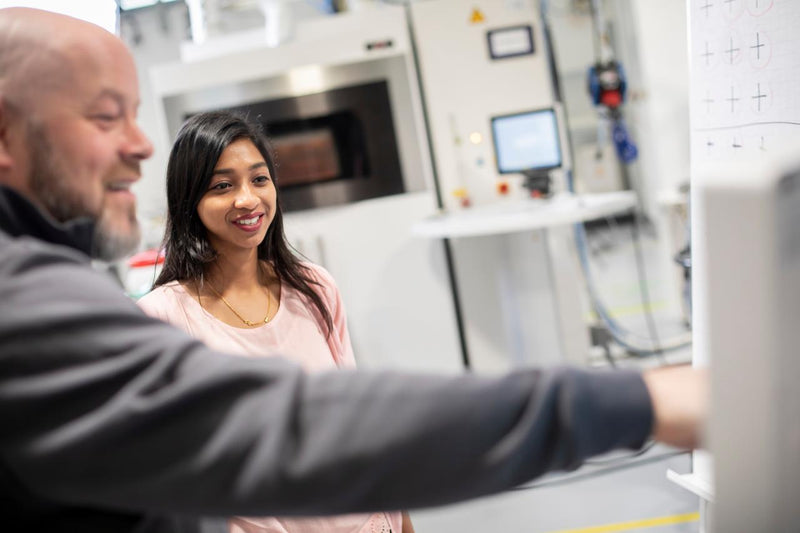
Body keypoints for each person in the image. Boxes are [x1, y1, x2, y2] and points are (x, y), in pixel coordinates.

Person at [0, 7, 706, 533]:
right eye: (103, 117)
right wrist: (640, 401)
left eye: (259, 178)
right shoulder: (33, 305)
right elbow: (288, 428)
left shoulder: (310, 287)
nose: (140, 144)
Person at [138, 111, 414, 533]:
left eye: (259, 179)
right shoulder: (164, 317)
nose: (247, 199)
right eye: (222, 185)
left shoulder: (314, 287)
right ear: (189, 199)